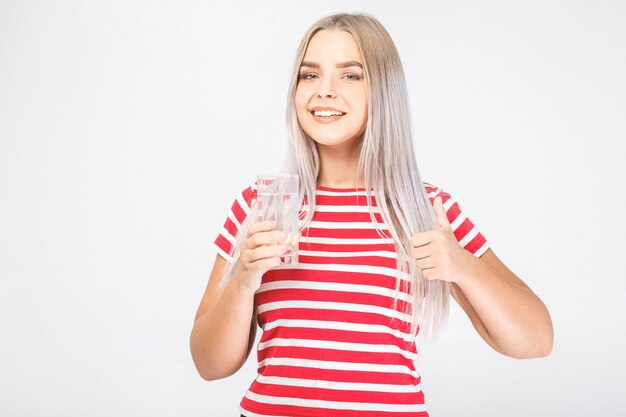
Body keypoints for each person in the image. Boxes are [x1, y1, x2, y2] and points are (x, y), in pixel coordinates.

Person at [190, 12, 553, 417]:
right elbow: (209, 364)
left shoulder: (425, 209)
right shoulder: (260, 205)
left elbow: (536, 340)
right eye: (310, 75)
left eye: (350, 75)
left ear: (383, 91)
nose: (324, 91)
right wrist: (242, 280)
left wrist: (464, 267)